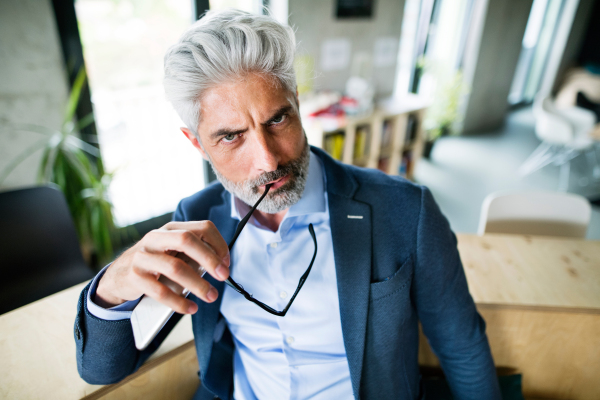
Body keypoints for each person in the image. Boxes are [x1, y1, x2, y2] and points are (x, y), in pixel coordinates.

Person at [74, 9, 501, 400]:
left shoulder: (407, 209)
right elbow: (100, 370)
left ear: (296, 101)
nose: (268, 160)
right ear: (197, 144)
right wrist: (112, 287)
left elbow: (463, 347)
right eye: (231, 136)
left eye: (277, 119)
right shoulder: (197, 217)